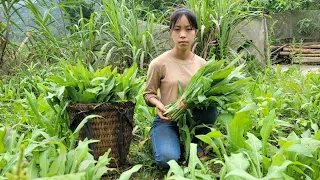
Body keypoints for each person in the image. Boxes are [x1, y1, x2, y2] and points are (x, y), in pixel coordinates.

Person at [143, 7, 217, 169]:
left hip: (192, 119)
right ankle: (166, 139)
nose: (182, 34)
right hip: (167, 119)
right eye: (177, 29)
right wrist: (157, 103)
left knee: (212, 108)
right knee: (167, 161)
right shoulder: (158, 63)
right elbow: (148, 94)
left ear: (195, 32)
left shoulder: (202, 65)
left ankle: (196, 142)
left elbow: (207, 97)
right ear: (171, 32)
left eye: (188, 29)